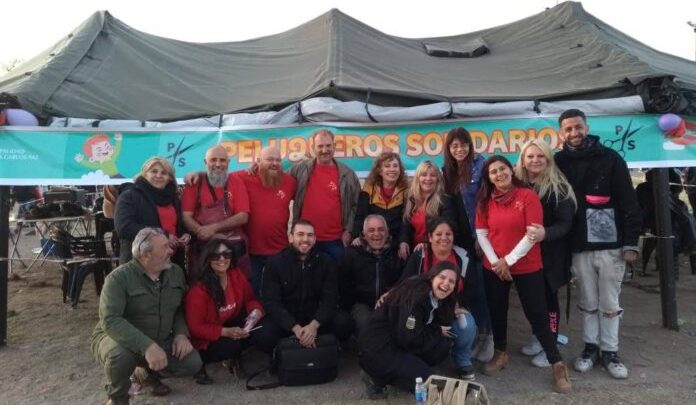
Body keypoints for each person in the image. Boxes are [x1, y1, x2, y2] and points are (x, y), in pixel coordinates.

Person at [554, 109, 642, 380]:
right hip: (578, 244)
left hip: (610, 242)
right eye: (568, 129)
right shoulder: (557, 161)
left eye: (578, 127)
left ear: (586, 127)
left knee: (610, 300)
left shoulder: (610, 158)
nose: (574, 133)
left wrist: (630, 243)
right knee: (588, 300)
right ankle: (590, 348)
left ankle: (610, 352)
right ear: (561, 133)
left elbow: (629, 203)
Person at [475, 155, 572, 394]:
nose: (499, 174)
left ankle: (556, 363)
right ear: (489, 178)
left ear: (511, 170)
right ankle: (500, 352)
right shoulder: (485, 200)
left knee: (537, 314)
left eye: (502, 169)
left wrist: (508, 261)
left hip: (526, 264)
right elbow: (481, 233)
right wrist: (497, 262)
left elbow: (532, 234)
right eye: (493, 172)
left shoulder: (527, 196)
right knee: (497, 311)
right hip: (495, 265)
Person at [90, 227, 201, 405]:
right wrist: (147, 346)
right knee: (121, 356)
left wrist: (181, 333)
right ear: (145, 254)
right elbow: (110, 320)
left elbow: (179, 308)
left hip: (158, 338)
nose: (171, 250)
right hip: (117, 338)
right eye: (164, 247)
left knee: (192, 363)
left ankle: (145, 373)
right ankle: (117, 398)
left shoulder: (176, 272)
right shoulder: (118, 279)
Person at [515, 139, 577, 367]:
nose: (535, 160)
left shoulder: (558, 187)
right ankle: (537, 337)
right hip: (525, 255)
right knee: (531, 301)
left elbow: (565, 223)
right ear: (523, 159)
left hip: (551, 256)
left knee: (549, 301)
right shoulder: (517, 185)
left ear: (549, 159)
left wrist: (546, 234)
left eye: (540, 156)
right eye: (530, 156)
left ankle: (549, 342)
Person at [358, 262, 460, 399]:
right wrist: (436, 330)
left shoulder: (432, 294)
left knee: (440, 348)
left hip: (398, 341)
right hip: (380, 348)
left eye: (451, 281)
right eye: (442, 277)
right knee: (427, 382)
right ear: (432, 277)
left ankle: (403, 370)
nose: (446, 283)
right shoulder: (417, 295)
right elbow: (409, 338)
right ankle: (375, 377)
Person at [399, 216, 478, 380]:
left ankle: (462, 359)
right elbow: (406, 282)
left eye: (448, 234)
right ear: (430, 237)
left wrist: (459, 304)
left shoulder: (463, 257)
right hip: (423, 308)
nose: (444, 238)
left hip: (451, 306)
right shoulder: (420, 254)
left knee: (466, 324)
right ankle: (418, 356)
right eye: (438, 234)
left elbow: (472, 287)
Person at [259, 219, 354, 352]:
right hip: (288, 320)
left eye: (310, 235)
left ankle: (326, 349)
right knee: (262, 333)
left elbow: (330, 298)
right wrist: (295, 327)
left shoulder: (326, 262)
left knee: (344, 322)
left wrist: (314, 325)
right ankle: (284, 354)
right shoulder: (275, 263)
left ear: (315, 239)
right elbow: (271, 301)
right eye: (300, 234)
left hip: (315, 318)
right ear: (291, 237)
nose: (305, 239)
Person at [184, 238, 269, 384]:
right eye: (216, 255)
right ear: (207, 258)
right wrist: (225, 332)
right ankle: (200, 363)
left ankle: (237, 358)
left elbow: (250, 300)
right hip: (206, 337)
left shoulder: (236, 275)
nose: (222, 259)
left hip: (230, 322)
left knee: (264, 328)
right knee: (231, 346)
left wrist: (256, 312)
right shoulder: (199, 290)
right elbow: (195, 327)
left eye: (226, 254)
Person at [442, 127, 493, 363]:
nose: (459, 149)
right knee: (469, 289)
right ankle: (474, 335)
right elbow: (450, 207)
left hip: (480, 239)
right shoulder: (448, 172)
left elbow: (487, 204)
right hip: (460, 242)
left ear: (470, 145)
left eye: (462, 145)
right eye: (454, 146)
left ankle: (488, 337)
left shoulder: (482, 167)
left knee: (483, 290)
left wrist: (483, 237)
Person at [232, 146, 297, 295]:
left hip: (280, 251)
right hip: (252, 254)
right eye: (269, 159)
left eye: (278, 160)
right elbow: (218, 174)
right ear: (258, 161)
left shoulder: (290, 182)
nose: (274, 163)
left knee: (280, 293)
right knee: (254, 294)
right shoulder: (243, 177)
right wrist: (198, 173)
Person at [181, 144, 250, 280]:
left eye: (222, 160)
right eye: (213, 160)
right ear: (205, 162)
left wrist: (213, 229)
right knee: (202, 287)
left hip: (232, 249)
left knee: (237, 286)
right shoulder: (195, 182)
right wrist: (201, 231)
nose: (218, 164)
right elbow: (185, 216)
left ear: (229, 163)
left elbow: (243, 216)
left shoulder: (236, 182)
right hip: (203, 249)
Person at [290, 129, 361, 260]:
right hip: (306, 240)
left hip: (335, 241)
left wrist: (349, 230)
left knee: (335, 279)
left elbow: (356, 206)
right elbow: (278, 184)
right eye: (320, 146)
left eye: (328, 145)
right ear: (313, 148)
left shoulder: (348, 174)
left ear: (334, 146)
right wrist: (257, 168)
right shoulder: (299, 170)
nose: (324, 150)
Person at [114, 157, 189, 268]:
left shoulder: (174, 199)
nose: (158, 175)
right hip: (141, 264)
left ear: (169, 178)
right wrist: (164, 236)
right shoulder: (129, 196)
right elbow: (124, 228)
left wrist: (185, 235)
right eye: (154, 171)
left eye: (164, 173)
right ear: (145, 174)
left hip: (172, 263)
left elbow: (179, 225)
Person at [340, 214, 404, 336]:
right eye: (371, 230)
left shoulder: (396, 254)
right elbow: (344, 286)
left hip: (388, 302)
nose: (377, 234)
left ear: (387, 232)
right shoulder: (352, 254)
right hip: (360, 305)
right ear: (363, 234)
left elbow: (403, 282)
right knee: (367, 323)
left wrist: (390, 295)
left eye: (381, 229)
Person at [399, 160, 470, 260]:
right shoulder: (411, 199)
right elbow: (405, 224)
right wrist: (403, 241)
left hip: (436, 252)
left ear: (438, 179)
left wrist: (427, 243)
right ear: (418, 178)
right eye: (424, 175)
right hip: (414, 252)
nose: (428, 178)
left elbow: (450, 227)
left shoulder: (445, 200)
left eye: (432, 175)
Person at [351, 151, 408, 245]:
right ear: (380, 171)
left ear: (400, 170)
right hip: (372, 239)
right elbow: (360, 215)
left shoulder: (407, 191)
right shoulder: (369, 189)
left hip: (396, 241)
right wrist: (356, 236)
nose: (392, 169)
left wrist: (404, 241)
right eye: (387, 166)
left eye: (395, 166)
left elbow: (406, 221)